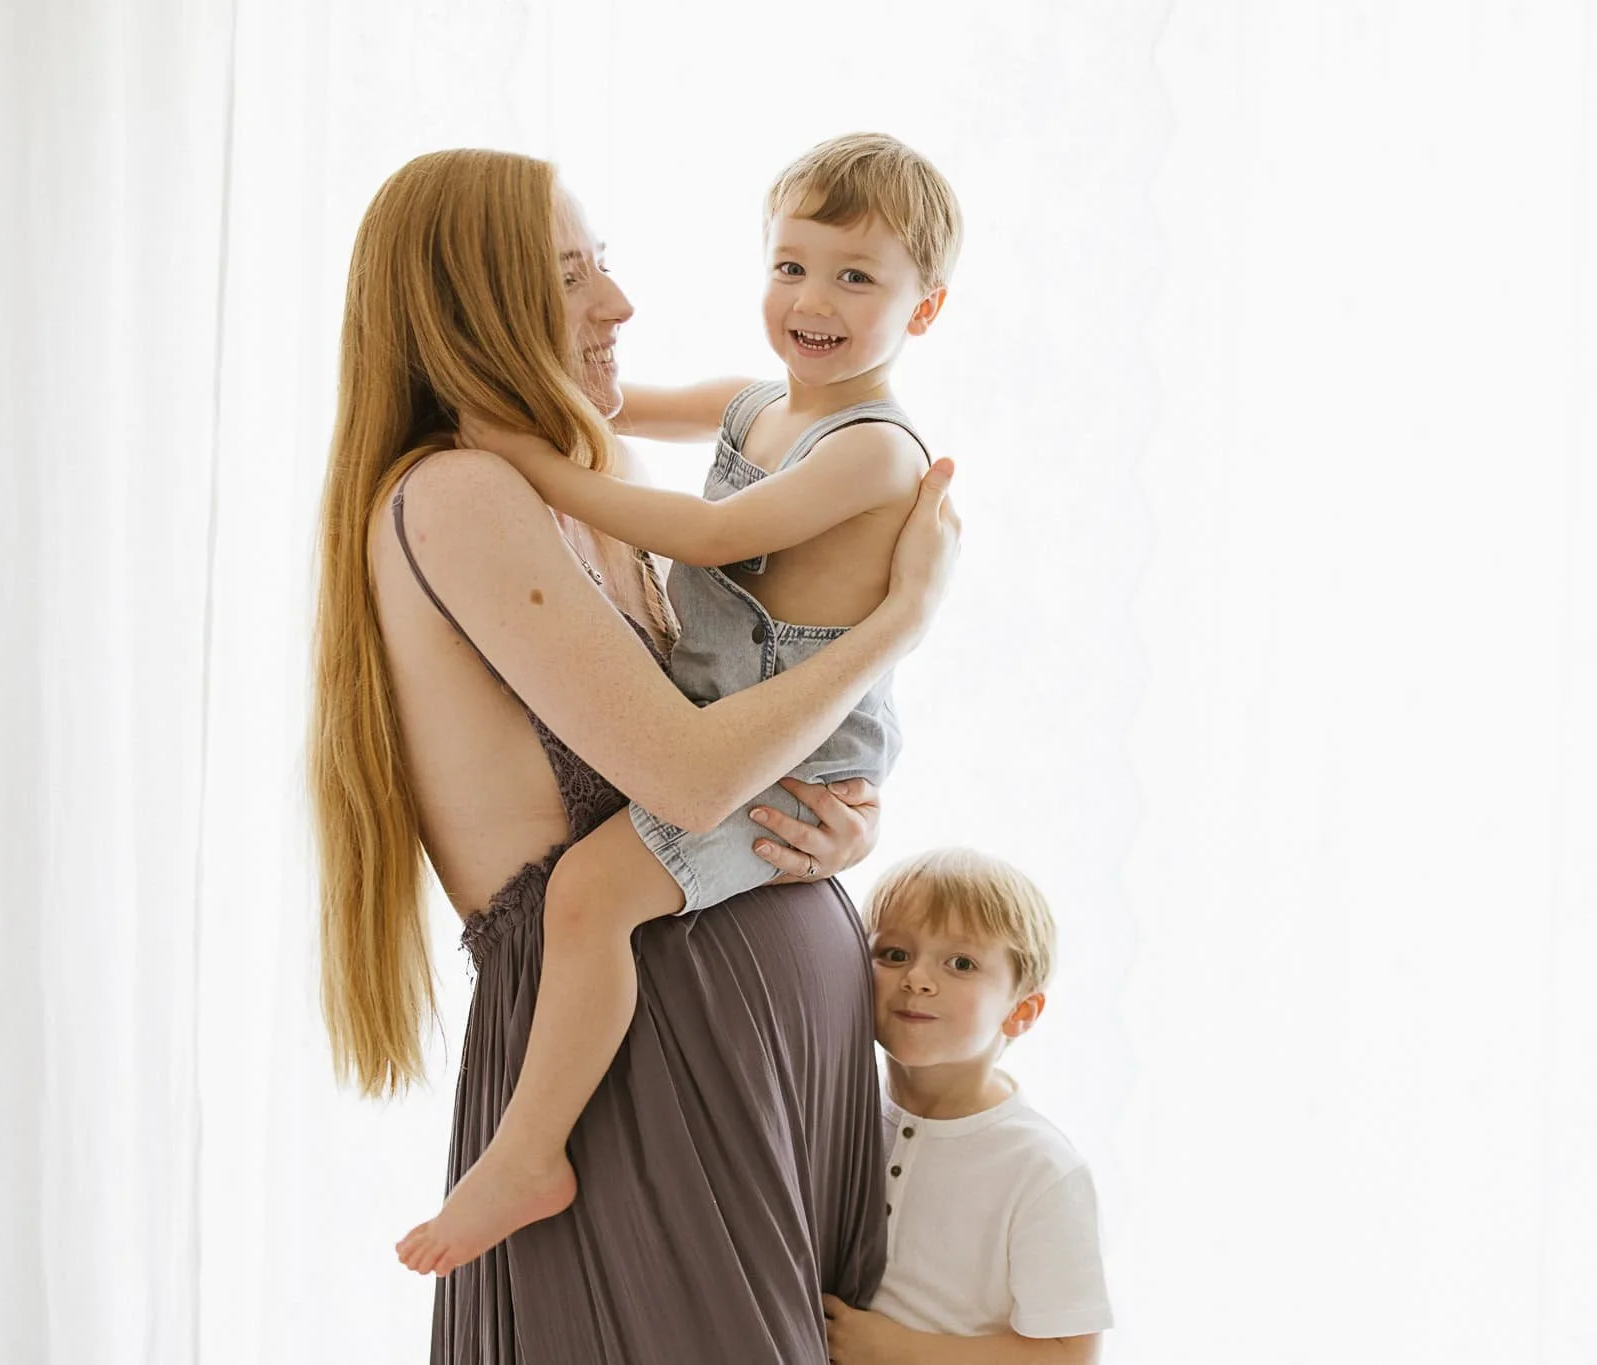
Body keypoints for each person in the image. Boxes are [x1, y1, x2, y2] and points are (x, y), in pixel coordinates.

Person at [308, 147, 961, 1362]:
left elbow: (735, 731)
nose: (617, 302)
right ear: (472, 311)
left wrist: (828, 818)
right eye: (569, 276)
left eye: (599, 262)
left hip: (745, 1045)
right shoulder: (462, 494)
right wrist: (899, 623)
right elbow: (692, 777)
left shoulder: (592, 476)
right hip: (643, 1066)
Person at [823, 848, 1112, 1363]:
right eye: (894, 954)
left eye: (961, 964)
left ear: (1021, 1011)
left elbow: (1070, 1353)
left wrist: (894, 1349)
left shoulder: (1040, 1168)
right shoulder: (836, 1111)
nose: (917, 979)